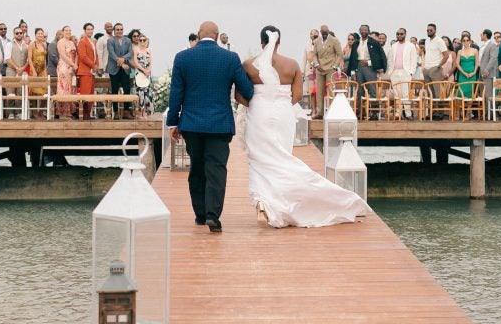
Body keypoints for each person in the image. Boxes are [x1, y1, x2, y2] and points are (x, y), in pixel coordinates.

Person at [242, 26, 366, 228]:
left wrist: (259, 104)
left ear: (261, 42)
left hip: (258, 115)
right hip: (283, 115)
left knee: (259, 159)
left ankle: (263, 202)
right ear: (279, 42)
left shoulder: (248, 65)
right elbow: (298, 96)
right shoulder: (291, 65)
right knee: (282, 156)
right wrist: (279, 104)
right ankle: (277, 202)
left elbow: (240, 96)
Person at [166, 21, 254, 233]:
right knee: (216, 169)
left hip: (192, 123)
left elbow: (176, 92)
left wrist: (173, 122)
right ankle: (213, 216)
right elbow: (247, 90)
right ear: (216, 36)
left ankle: (200, 213)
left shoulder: (183, 57)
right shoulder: (230, 58)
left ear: (198, 35)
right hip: (220, 123)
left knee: (196, 167)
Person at [385, 28, 418, 119]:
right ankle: (398, 113)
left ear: (405, 34)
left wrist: (411, 72)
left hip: (406, 72)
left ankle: (408, 114)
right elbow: (390, 60)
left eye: (401, 34)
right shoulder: (393, 46)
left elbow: (414, 60)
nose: (399, 35)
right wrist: (390, 73)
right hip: (394, 72)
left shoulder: (411, 46)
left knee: (406, 94)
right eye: (398, 34)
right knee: (396, 94)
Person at [311, 25, 342, 119]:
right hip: (319, 69)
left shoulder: (335, 40)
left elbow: (339, 54)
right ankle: (319, 112)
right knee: (319, 91)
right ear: (320, 32)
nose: (324, 35)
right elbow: (314, 55)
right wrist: (316, 65)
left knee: (331, 90)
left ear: (328, 31)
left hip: (330, 69)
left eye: (326, 33)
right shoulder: (316, 41)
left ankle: (332, 111)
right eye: (323, 33)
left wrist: (334, 66)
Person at [105, 22, 133, 118]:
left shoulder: (128, 40)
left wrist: (122, 59)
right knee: (114, 90)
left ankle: (126, 111)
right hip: (114, 68)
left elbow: (130, 53)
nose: (119, 31)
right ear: (114, 30)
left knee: (127, 89)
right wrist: (120, 61)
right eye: (117, 29)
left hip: (125, 69)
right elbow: (112, 53)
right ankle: (116, 112)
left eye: (121, 29)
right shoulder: (110, 40)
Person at [77, 23, 99, 118]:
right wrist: (93, 65)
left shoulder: (93, 42)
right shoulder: (82, 41)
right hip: (85, 71)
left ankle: (88, 114)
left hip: (92, 72)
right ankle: (84, 114)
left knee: (91, 94)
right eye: (88, 29)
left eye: (91, 29)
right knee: (85, 94)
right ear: (84, 30)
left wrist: (97, 65)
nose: (90, 31)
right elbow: (83, 57)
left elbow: (95, 55)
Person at [56, 26, 78, 119]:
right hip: (64, 67)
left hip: (72, 68)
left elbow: (76, 55)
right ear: (63, 32)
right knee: (64, 88)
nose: (68, 32)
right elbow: (63, 55)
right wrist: (72, 64)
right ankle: (62, 112)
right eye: (66, 30)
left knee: (71, 88)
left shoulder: (72, 42)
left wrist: (75, 64)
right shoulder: (61, 42)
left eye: (69, 30)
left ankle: (70, 111)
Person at [130, 28, 153, 118]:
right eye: (140, 40)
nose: (142, 41)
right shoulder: (136, 49)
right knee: (140, 94)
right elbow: (135, 62)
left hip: (147, 74)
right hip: (139, 73)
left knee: (147, 93)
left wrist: (148, 70)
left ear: (146, 41)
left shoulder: (149, 50)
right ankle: (141, 111)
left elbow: (151, 62)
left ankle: (146, 111)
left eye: (144, 40)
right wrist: (143, 70)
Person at [477, 29, 498, 107]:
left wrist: (487, 70)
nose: (480, 35)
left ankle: (491, 114)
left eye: (481, 34)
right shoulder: (483, 46)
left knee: (488, 94)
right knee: (482, 93)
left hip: (488, 73)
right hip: (481, 72)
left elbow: (493, 58)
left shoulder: (492, 45)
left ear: (485, 35)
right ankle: (485, 112)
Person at [455, 32, 479, 98]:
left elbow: (477, 63)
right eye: (464, 40)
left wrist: (474, 72)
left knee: (470, 93)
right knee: (461, 93)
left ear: (470, 41)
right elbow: (457, 64)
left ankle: (469, 108)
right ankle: (462, 108)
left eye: (467, 40)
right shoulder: (460, 51)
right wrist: (464, 73)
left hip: (472, 75)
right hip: (462, 75)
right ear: (462, 42)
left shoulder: (475, 50)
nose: (466, 42)